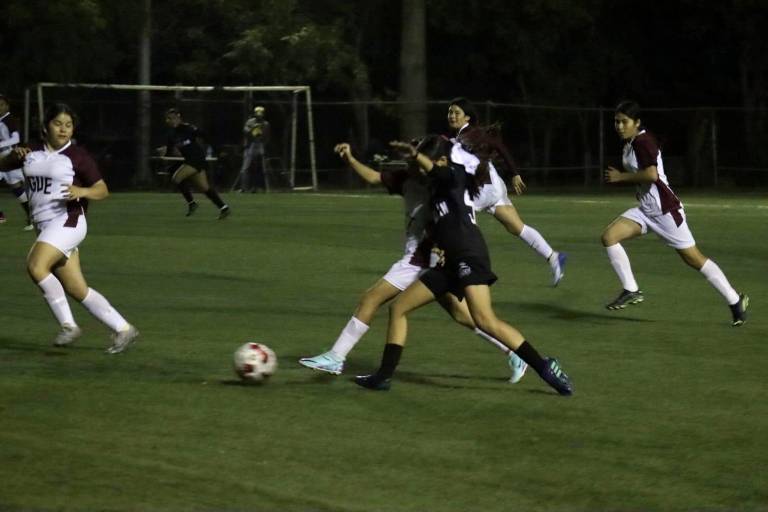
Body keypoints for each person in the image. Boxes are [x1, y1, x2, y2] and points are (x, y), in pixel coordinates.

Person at [354, 135, 573, 395]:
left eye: (427, 163)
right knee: (398, 308)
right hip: (448, 261)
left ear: (443, 160)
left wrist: (417, 156)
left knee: (484, 320)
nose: (422, 169)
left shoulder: (453, 175)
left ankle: (546, 367)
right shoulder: (434, 184)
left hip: (469, 254)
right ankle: (383, 377)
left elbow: (441, 173)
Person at [298, 142, 529, 383]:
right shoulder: (405, 178)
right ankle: (512, 352)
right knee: (461, 314)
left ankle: (337, 356)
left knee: (372, 298)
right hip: (425, 258)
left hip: (420, 258)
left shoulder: (438, 184)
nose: (410, 163)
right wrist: (351, 159)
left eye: (414, 159)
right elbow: (375, 177)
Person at [0, 103, 139, 352]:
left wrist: (81, 191)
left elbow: (102, 189)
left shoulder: (77, 156)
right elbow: (3, 165)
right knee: (76, 288)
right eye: (58, 123)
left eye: (68, 125)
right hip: (45, 226)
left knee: (36, 265)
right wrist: (12, 156)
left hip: (69, 221)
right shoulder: (30, 150)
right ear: (45, 127)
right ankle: (124, 329)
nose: (64, 129)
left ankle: (68, 326)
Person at [602, 100, 748, 325]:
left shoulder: (643, 141)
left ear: (637, 122)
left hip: (665, 211)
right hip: (646, 211)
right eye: (616, 121)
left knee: (693, 258)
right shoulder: (630, 143)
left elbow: (651, 175)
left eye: (624, 121)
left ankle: (735, 300)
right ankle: (631, 289)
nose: (619, 126)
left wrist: (621, 177)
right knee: (609, 237)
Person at [447, 97, 567, 286]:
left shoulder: (470, 134)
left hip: (484, 188)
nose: (452, 115)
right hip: (491, 184)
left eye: (456, 112)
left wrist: (515, 173)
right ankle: (553, 257)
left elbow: (498, 145)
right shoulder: (462, 135)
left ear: (467, 117)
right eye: (450, 112)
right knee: (516, 226)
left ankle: (467, 267)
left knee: (458, 217)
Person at [157, 108, 230, 218]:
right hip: (190, 160)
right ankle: (224, 208)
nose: (170, 121)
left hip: (197, 158)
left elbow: (205, 136)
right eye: (168, 119)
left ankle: (192, 204)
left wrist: (219, 150)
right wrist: (163, 153)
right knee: (204, 188)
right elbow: (169, 152)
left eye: (172, 118)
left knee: (177, 178)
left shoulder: (188, 128)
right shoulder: (171, 134)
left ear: (178, 117)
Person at [0, 94, 33, 230]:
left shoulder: (9, 120)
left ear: (7, 106)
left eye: (1, 104)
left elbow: (15, 139)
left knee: (17, 188)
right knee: (17, 188)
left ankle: (31, 216)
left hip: (9, 157)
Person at [237, 106, 271, 192]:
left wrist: (263, 144)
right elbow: (245, 131)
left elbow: (266, 137)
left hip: (260, 146)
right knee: (246, 168)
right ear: (255, 113)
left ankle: (258, 188)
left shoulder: (266, 124)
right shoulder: (250, 122)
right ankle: (243, 188)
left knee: (259, 168)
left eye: (261, 114)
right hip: (250, 147)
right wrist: (253, 128)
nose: (259, 116)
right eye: (257, 114)